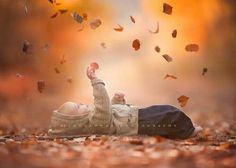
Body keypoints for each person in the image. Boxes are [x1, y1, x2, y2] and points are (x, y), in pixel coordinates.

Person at [48, 63, 202, 139]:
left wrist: (117, 100)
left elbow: (111, 111)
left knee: (165, 113)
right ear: (77, 121)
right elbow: (103, 106)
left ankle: (185, 128)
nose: (82, 103)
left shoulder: (98, 120)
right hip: (137, 123)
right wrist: (95, 81)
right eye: (78, 107)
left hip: (136, 116)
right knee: (167, 115)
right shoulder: (96, 123)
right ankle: (189, 131)